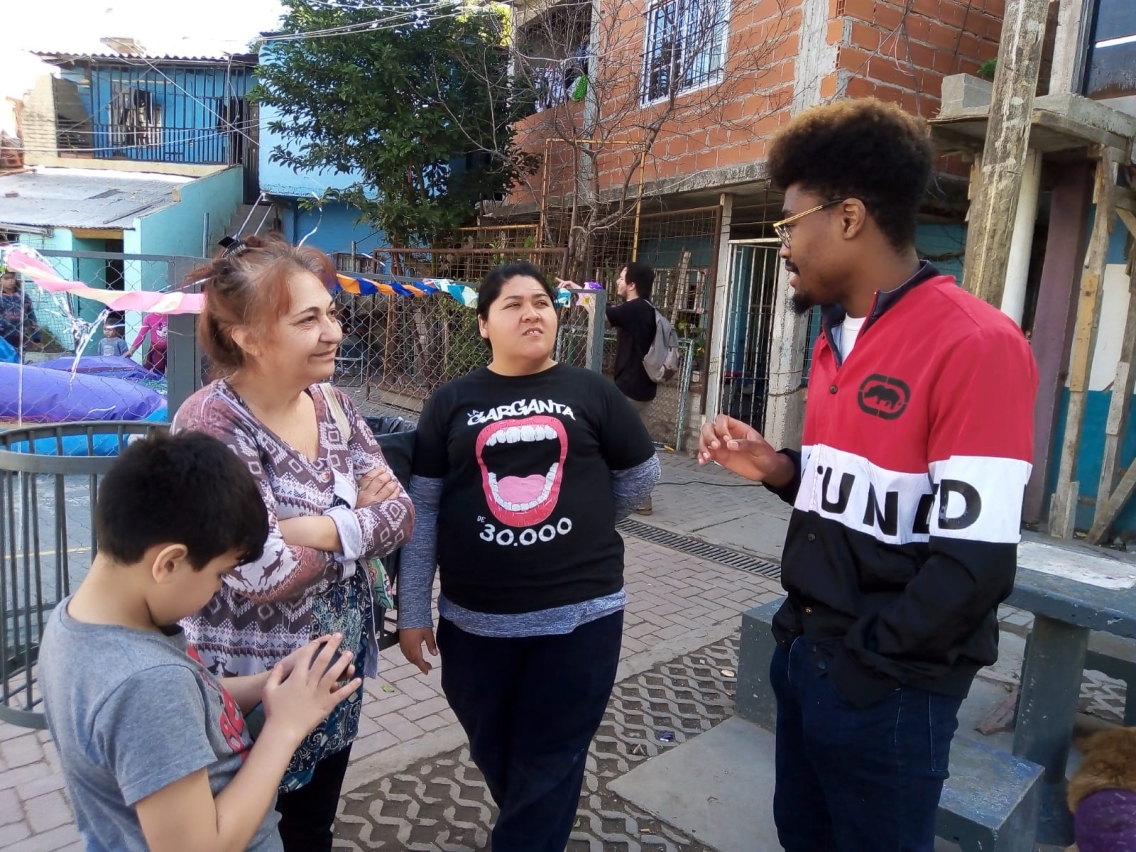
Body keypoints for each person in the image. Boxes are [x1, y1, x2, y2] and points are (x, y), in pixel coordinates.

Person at [698, 98, 1038, 852]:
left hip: (885, 689)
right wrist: (782, 469)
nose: (782, 243)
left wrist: (868, 667)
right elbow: (863, 489)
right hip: (807, 655)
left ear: (848, 217)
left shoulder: (977, 343)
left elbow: (976, 563)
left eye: (790, 223)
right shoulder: (836, 339)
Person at [399, 261, 659, 852]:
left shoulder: (591, 390)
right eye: (512, 304)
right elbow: (426, 511)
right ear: (484, 324)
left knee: (550, 759)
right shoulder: (450, 401)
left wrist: (587, 525)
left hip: (582, 620)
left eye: (541, 302)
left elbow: (641, 474)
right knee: (497, 749)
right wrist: (413, 612)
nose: (531, 312)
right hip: (474, 624)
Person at [172, 234, 415, 852]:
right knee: (253, 829)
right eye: (309, 319)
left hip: (335, 670)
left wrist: (307, 527)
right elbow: (262, 573)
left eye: (330, 313)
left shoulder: (333, 404)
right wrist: (354, 519)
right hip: (253, 684)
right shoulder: (213, 424)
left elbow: (402, 514)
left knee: (312, 828)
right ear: (248, 337)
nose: (332, 330)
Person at [39, 431, 362, 852]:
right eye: (218, 575)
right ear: (169, 562)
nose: (217, 589)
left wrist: (272, 681)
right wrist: (285, 727)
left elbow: (187, 707)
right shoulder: (146, 683)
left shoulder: (74, 622)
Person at [0, 270, 41, 351]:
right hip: (2, 336)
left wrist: (36, 338)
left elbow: (31, 316)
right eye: (6, 278)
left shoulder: (22, 296)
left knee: (19, 360)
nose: (10, 281)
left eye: (12, 278)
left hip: (21, 336)